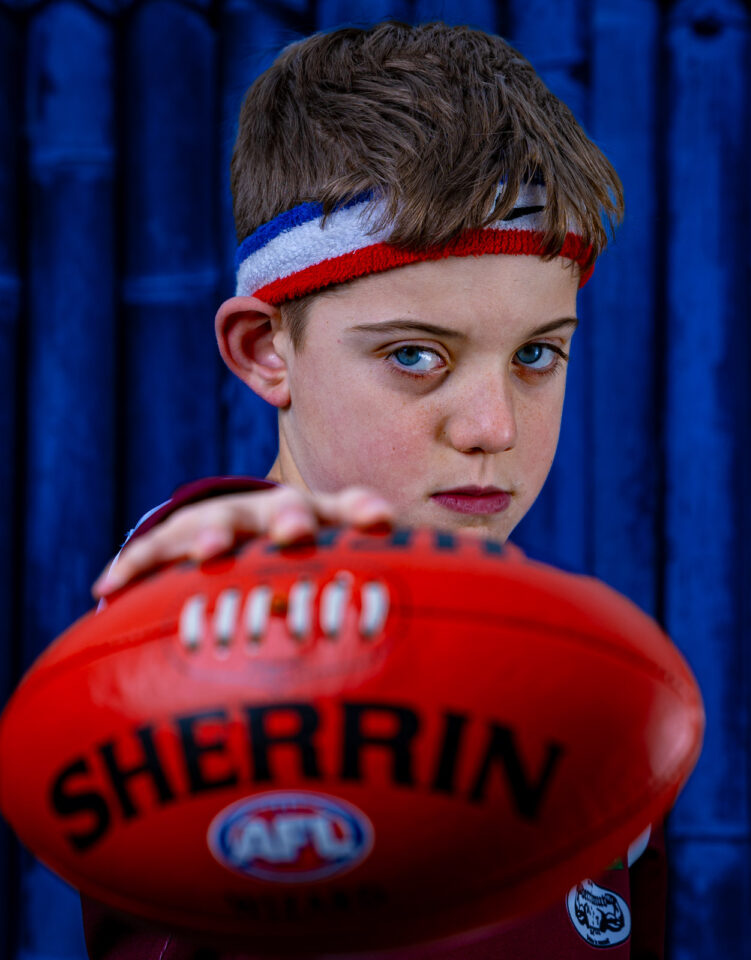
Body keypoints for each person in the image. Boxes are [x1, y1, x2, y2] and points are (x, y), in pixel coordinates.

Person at [86, 20, 667, 960]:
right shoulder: (194, 612)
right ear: (266, 349)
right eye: (414, 355)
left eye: (537, 355)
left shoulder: (596, 693)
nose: (495, 427)